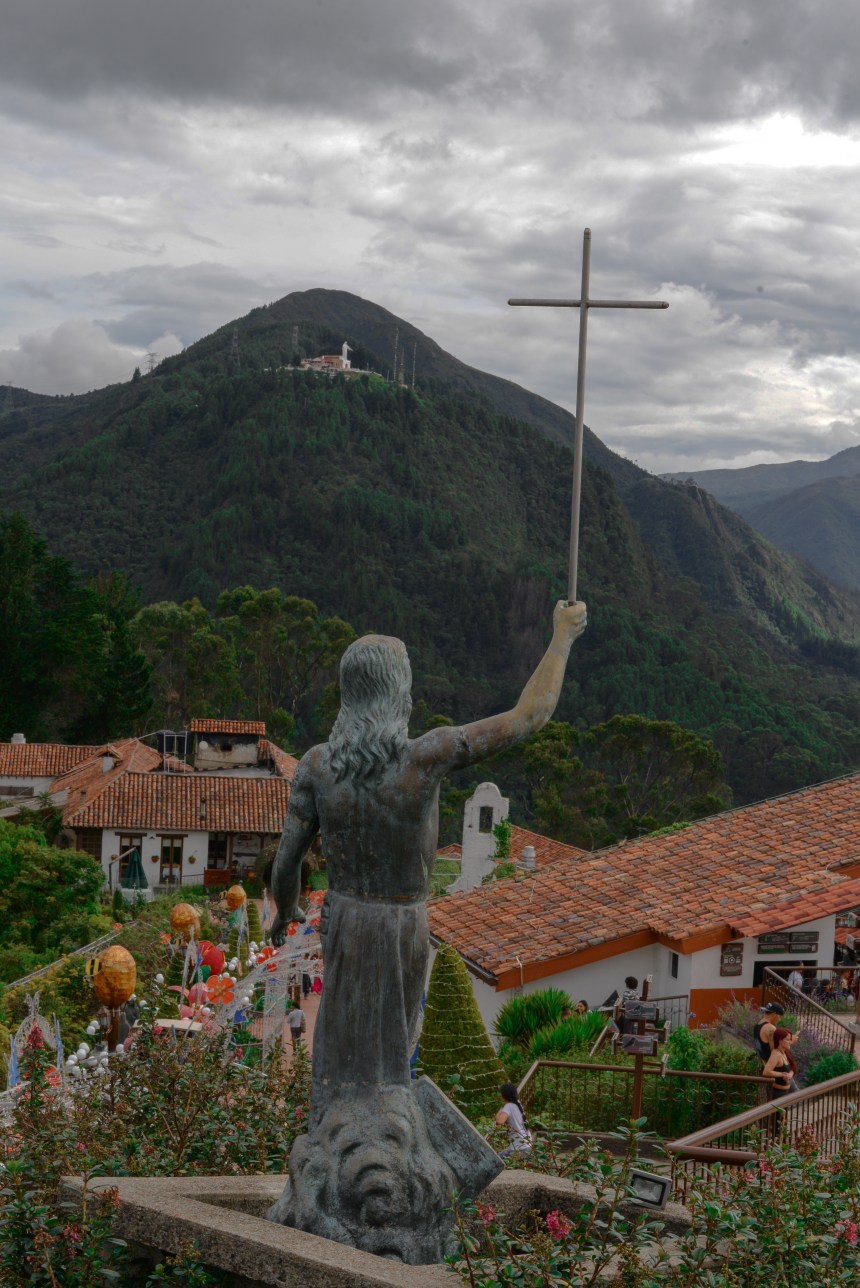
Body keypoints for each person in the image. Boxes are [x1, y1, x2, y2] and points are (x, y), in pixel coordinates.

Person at [270, 600, 587, 1123]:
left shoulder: (316, 767)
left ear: (350, 697)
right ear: (399, 695)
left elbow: (287, 865)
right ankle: (387, 1139)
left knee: (340, 1041)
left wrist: (287, 912)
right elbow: (528, 717)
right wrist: (561, 639)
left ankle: (331, 1132)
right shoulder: (428, 756)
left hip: (345, 917)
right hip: (403, 922)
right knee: (392, 1054)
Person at [495, 1083, 533, 1160]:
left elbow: (499, 1122)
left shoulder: (508, 1106)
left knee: (496, 1162)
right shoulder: (517, 1103)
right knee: (498, 1157)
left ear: (504, 1095)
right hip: (526, 1145)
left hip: (520, 1149)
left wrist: (501, 1109)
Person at [762, 1028, 798, 1099]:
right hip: (779, 1093)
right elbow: (766, 1072)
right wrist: (782, 1074)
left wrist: (790, 1074)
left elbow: (792, 1067)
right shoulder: (776, 1054)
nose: (790, 1042)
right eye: (787, 1040)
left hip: (787, 1091)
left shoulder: (784, 1052)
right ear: (780, 1041)